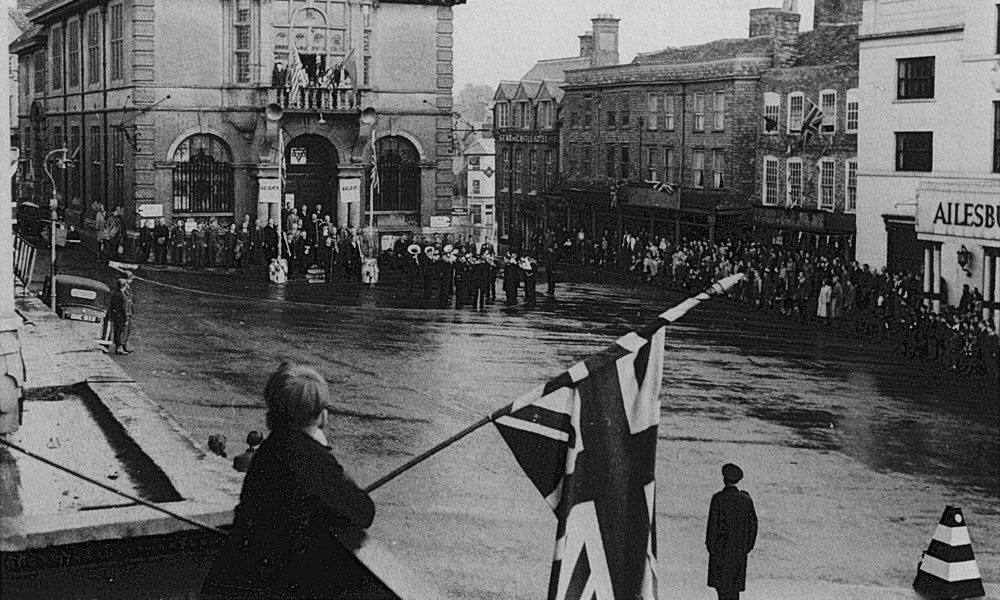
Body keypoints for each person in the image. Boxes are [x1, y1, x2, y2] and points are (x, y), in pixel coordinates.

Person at [202, 363, 376, 599]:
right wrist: (324, 452)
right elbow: (364, 512)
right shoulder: (311, 457)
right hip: (269, 586)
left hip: (233, 574)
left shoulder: (271, 447)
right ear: (321, 415)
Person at [706, 463, 757, 600]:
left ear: (724, 479)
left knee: (722, 591)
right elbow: (753, 526)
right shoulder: (746, 499)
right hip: (738, 554)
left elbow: (712, 529)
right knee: (734, 593)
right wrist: (746, 547)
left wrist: (712, 549)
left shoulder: (718, 498)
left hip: (721, 553)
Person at [108, 276, 134, 355]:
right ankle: (119, 348)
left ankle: (121, 346)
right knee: (122, 331)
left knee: (121, 330)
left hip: (118, 315)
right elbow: (124, 307)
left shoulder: (115, 292)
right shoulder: (122, 295)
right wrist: (126, 318)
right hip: (123, 315)